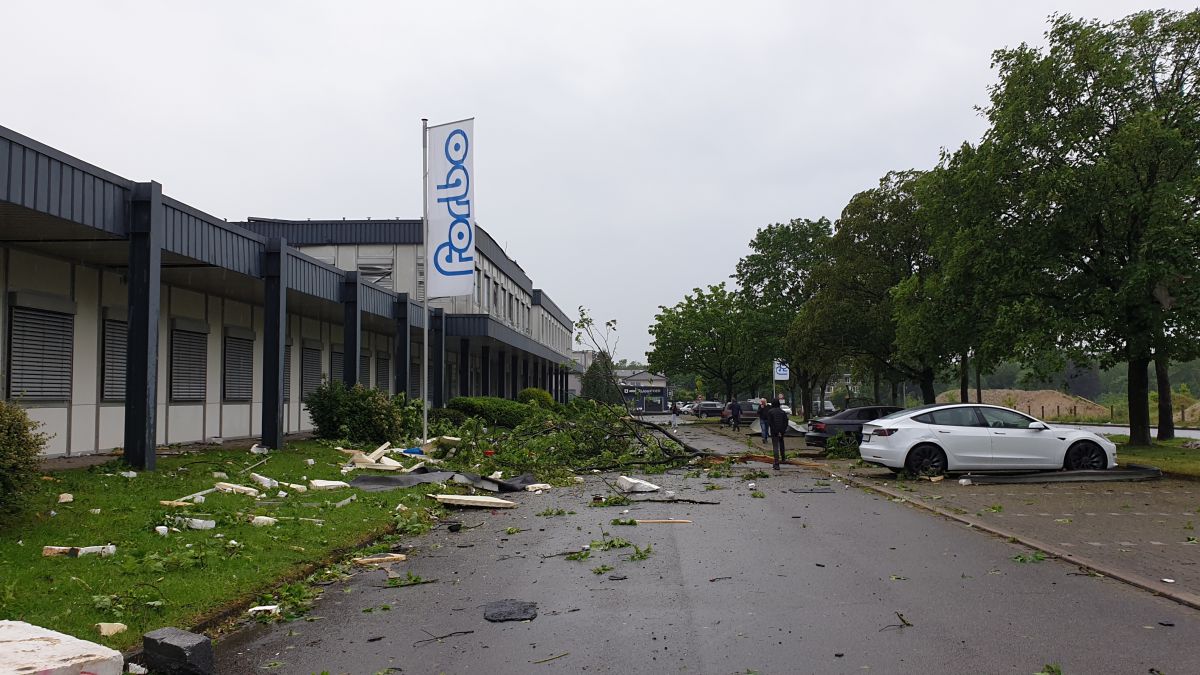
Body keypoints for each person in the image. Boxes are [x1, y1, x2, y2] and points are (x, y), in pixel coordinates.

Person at [766, 399, 790, 470]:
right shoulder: (783, 412)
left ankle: (776, 463)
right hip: (781, 431)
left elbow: (770, 422)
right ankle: (783, 458)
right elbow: (786, 422)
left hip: (774, 431)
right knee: (781, 443)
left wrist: (775, 430)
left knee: (775, 446)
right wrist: (782, 430)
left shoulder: (770, 412)